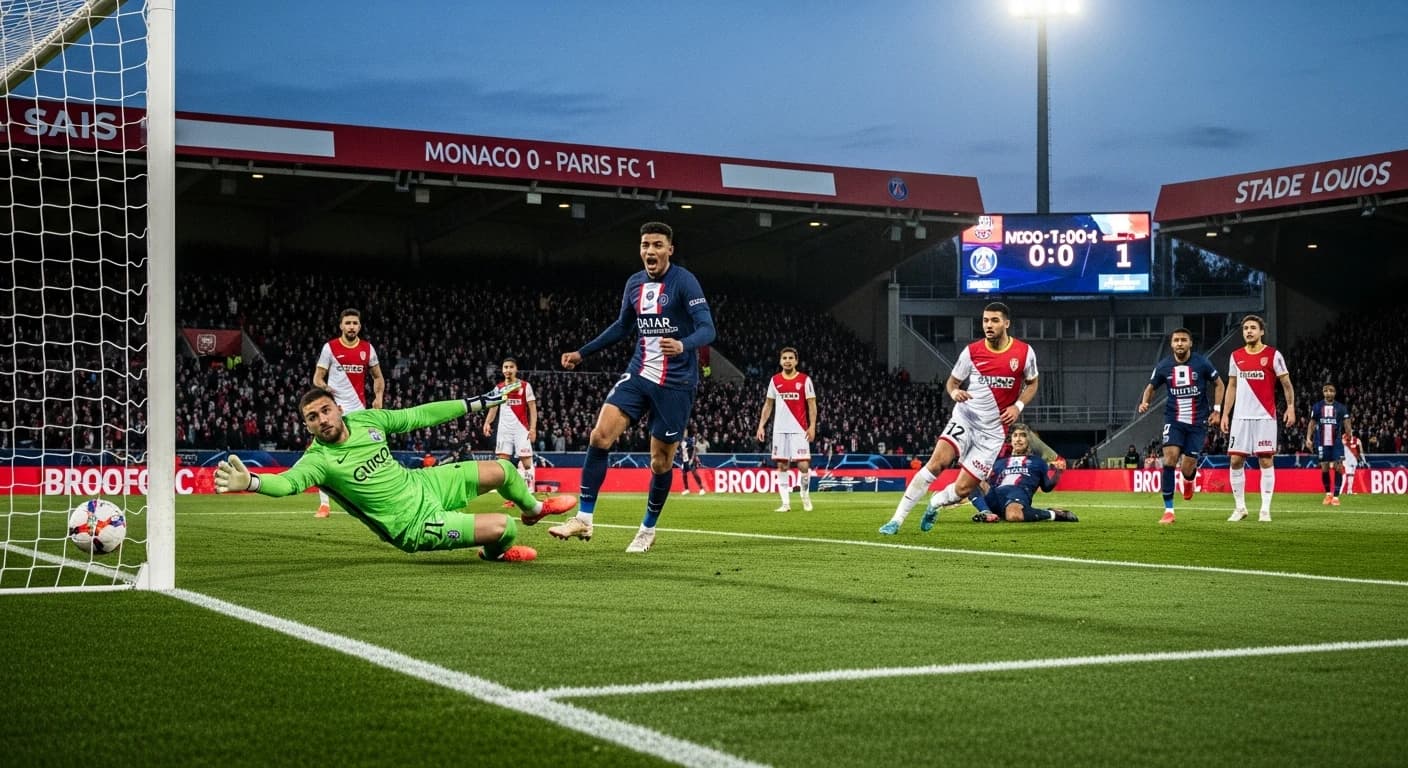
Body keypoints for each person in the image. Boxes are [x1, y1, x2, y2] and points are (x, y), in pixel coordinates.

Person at [213, 385, 577, 561]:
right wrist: (254, 482)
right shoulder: (319, 460)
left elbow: (420, 415)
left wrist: (476, 403)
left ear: (338, 408)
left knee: (503, 469)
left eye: (325, 410)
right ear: (306, 425)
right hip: (413, 526)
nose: (322, 420)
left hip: (422, 482)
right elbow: (288, 483)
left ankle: (534, 510)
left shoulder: (367, 420)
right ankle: (493, 554)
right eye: (312, 417)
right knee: (503, 527)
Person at [550, 221, 715, 552]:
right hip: (638, 373)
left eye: (657, 245)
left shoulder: (685, 282)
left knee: (661, 463)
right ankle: (584, 518)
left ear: (670, 249)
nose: (650, 251)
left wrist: (683, 345)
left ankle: (647, 528)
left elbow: (707, 329)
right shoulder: (634, 284)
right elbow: (622, 326)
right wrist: (583, 352)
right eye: (644, 245)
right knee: (600, 435)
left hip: (676, 383)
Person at [879, 302, 1037, 535]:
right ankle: (896, 520)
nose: (988, 325)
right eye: (985, 320)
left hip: (993, 433)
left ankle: (935, 504)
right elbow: (952, 382)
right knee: (936, 464)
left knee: (963, 489)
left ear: (1006, 323)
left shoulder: (1024, 353)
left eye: (994, 320)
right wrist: (954, 393)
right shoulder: (972, 352)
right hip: (965, 419)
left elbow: (1032, 383)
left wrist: (1018, 405)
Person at [1137, 328, 1224, 525]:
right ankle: (1169, 510)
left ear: (1190, 343)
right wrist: (1145, 402)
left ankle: (1188, 479)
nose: (1179, 343)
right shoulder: (1164, 366)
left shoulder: (1201, 363)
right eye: (1176, 340)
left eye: (1183, 340)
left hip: (1197, 421)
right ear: (1171, 344)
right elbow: (1151, 387)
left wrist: (1217, 410)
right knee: (1169, 459)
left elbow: (1219, 384)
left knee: (1187, 466)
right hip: (1173, 419)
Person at [311, 308, 385, 518]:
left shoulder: (367, 349)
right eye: (348, 323)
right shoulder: (330, 348)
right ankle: (324, 505)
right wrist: (325, 389)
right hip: (334, 410)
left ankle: (368, 501)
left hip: (358, 412)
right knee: (325, 453)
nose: (351, 326)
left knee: (364, 454)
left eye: (355, 323)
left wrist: (378, 397)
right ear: (341, 326)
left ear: (359, 326)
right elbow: (317, 378)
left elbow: (378, 377)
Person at [1222, 314, 1295, 522]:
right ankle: (1240, 508)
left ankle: (1265, 509)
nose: (1249, 331)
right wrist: (1226, 413)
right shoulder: (1235, 356)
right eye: (1245, 328)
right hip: (1240, 418)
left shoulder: (1273, 355)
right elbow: (1232, 386)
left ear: (1261, 331)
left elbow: (1287, 384)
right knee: (1235, 460)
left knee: (1265, 459)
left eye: (1253, 328)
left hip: (1264, 416)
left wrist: (1290, 407)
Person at [968, 424, 1077, 523]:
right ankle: (986, 512)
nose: (1018, 439)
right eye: (1015, 436)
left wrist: (1058, 473)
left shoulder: (1037, 462)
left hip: (1018, 493)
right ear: (1011, 440)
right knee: (971, 478)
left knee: (1014, 516)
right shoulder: (999, 463)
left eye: (1023, 435)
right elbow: (989, 485)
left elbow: (1046, 487)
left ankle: (1053, 514)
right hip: (996, 494)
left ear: (1029, 441)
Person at [755, 346, 818, 512]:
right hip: (780, 430)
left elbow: (812, 405)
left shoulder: (805, 380)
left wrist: (812, 426)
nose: (788, 361)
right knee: (782, 466)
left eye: (791, 358)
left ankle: (805, 495)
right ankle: (785, 503)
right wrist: (761, 425)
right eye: (785, 358)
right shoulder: (775, 380)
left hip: (799, 429)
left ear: (796, 361)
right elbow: (768, 404)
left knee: (803, 465)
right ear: (780, 361)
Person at [481, 357, 538, 508]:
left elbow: (532, 409)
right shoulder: (499, 388)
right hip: (504, 430)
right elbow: (493, 407)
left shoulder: (525, 386)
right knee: (503, 464)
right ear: (502, 370)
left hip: (521, 429)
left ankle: (528, 493)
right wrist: (487, 422)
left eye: (511, 367)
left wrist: (533, 428)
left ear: (516, 369)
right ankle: (511, 496)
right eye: (505, 367)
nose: (508, 370)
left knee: (526, 463)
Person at [1305, 383, 1352, 506]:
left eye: (1331, 390)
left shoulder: (1341, 408)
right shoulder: (1317, 407)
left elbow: (1347, 422)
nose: (1328, 393)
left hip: (1336, 443)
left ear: (1335, 393)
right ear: (1323, 392)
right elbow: (1312, 423)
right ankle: (1328, 495)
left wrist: (1349, 434)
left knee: (1338, 467)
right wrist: (1308, 438)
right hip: (1321, 442)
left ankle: (1336, 496)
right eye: (1326, 390)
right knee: (1324, 468)